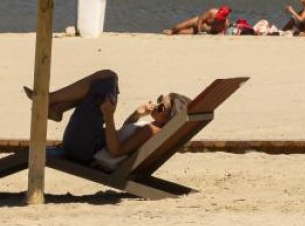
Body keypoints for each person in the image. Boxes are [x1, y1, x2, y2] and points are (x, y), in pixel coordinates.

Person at [25, 70, 190, 164]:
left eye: (162, 106)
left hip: (85, 149)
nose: (157, 103)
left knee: (107, 79)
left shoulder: (151, 131)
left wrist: (109, 116)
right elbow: (124, 137)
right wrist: (136, 115)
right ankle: (56, 106)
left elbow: (115, 151)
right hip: (89, 143)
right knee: (105, 82)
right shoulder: (154, 129)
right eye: (159, 98)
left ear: (170, 118)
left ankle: (50, 100)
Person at [163, 5, 231, 35]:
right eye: (219, 16)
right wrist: (199, 31)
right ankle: (171, 31)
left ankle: (173, 33)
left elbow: (221, 33)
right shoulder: (212, 12)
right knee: (177, 27)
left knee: (180, 33)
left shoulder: (225, 24)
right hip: (196, 23)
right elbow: (201, 19)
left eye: (221, 17)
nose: (219, 18)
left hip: (201, 32)